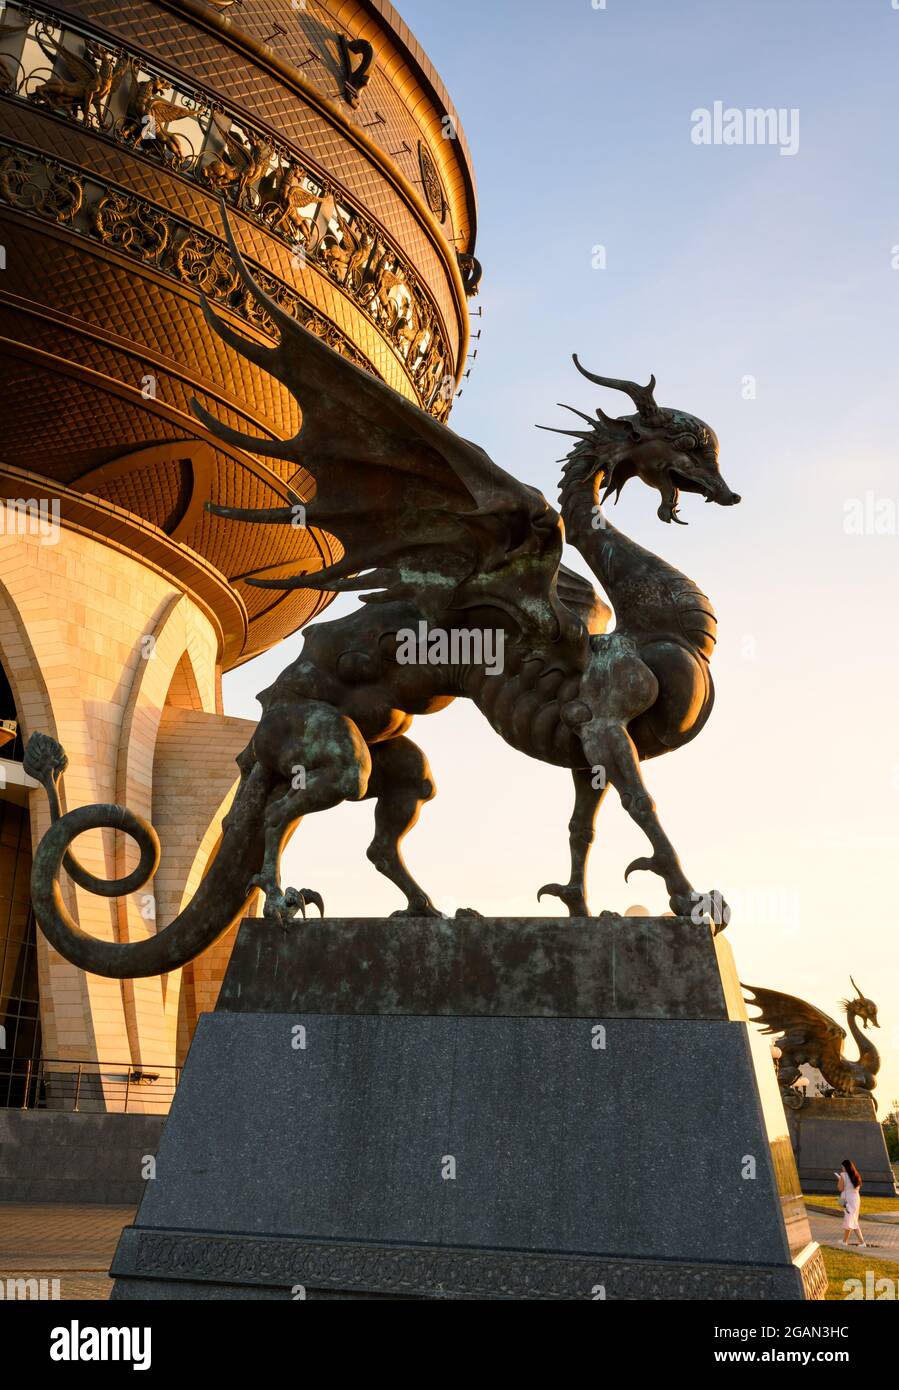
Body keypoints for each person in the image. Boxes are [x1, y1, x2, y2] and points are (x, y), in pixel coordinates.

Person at [837, 1159, 867, 1247]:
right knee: (851, 1219)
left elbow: (840, 1188)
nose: (841, 1168)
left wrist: (839, 1180)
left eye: (842, 1167)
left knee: (850, 1219)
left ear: (845, 1167)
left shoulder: (843, 1175)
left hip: (847, 1200)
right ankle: (845, 1241)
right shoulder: (856, 1175)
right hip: (856, 1199)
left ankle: (860, 1242)